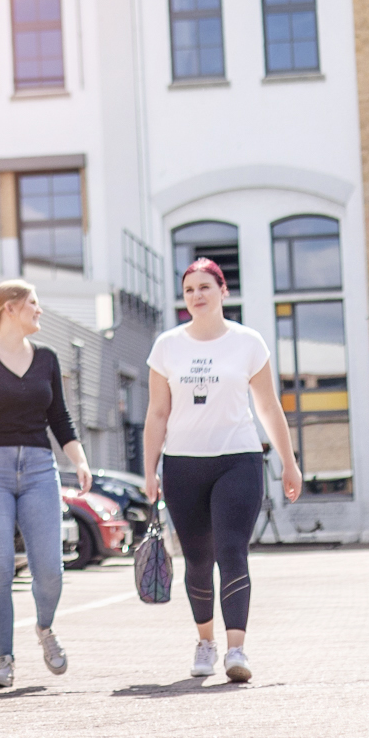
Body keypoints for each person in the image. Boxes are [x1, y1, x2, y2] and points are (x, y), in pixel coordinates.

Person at [142, 257, 302, 683]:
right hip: (183, 465)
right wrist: (149, 470)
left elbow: (268, 406)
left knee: (232, 551)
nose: (196, 296)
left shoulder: (248, 343)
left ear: (222, 291)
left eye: (204, 287)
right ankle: (205, 641)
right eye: (189, 289)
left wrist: (290, 463)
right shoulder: (167, 346)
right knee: (197, 559)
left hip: (238, 459)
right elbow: (157, 413)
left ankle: (236, 650)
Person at [0, 280, 92, 689]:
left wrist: (79, 460)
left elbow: (60, 418)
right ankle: (4, 659)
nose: (39, 310)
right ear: (9, 308)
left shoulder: (46, 358)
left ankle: (45, 629)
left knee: (49, 569)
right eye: (33, 303)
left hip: (37, 469)